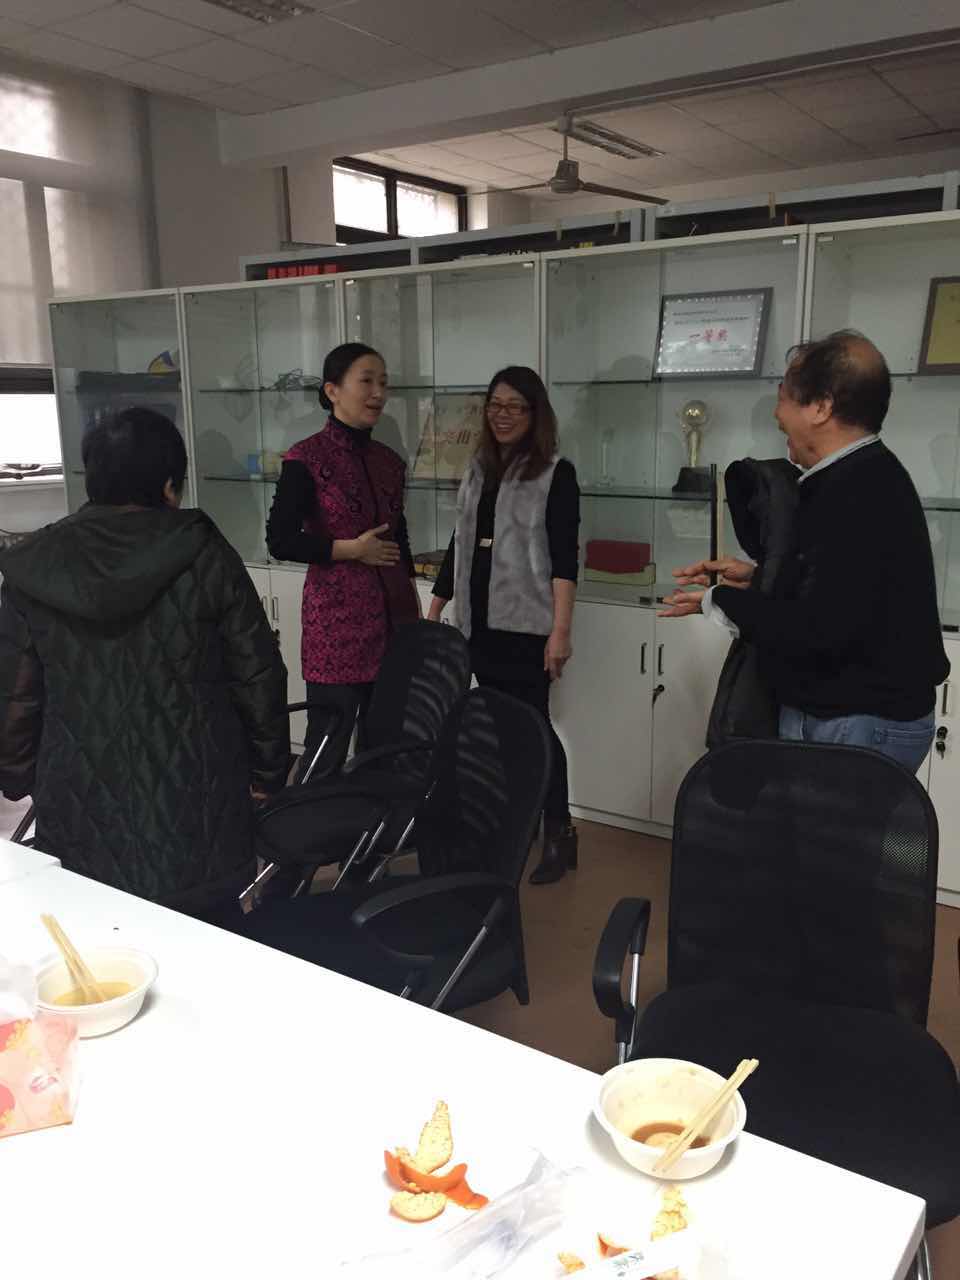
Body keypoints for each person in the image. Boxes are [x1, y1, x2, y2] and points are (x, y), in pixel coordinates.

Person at [0, 408, 289, 922]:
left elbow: (14, 694)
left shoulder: (34, 563)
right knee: (209, 944)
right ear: (169, 486)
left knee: (97, 943)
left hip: (79, 800)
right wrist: (268, 772)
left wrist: (17, 774)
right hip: (197, 801)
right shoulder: (203, 549)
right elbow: (256, 672)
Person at [661, 330, 949, 772]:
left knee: (820, 823)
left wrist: (718, 600)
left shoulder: (856, 492)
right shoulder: (859, 475)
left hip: (857, 721)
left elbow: (819, 630)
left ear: (821, 407)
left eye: (783, 398)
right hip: (857, 717)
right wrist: (760, 579)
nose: (777, 414)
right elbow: (848, 593)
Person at [428, 366, 580, 884]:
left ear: (535, 414)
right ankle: (515, 823)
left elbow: (565, 559)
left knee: (533, 728)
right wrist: (436, 607)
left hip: (526, 626)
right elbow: (460, 542)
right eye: (495, 405)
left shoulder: (555, 473)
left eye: (516, 406)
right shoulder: (478, 468)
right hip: (478, 622)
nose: (503, 415)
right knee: (497, 730)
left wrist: (561, 631)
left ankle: (558, 831)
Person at [266, 343, 419, 776]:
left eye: (383, 383)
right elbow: (280, 540)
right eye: (366, 381)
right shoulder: (306, 458)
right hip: (335, 626)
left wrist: (410, 595)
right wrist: (350, 550)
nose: (378, 393)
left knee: (383, 746)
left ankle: (370, 820)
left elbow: (398, 535)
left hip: (391, 624)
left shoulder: (389, 462)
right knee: (327, 745)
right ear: (332, 390)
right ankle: (313, 820)